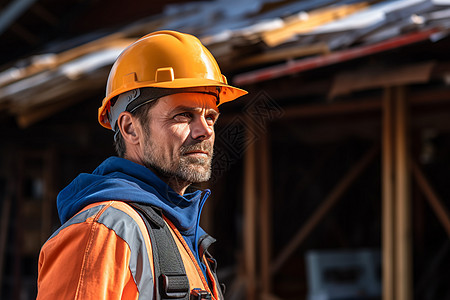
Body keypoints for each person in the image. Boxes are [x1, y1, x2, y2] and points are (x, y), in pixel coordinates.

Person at [36, 30, 247, 299]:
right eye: (183, 115)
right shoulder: (102, 232)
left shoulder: (178, 231)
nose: (204, 131)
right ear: (130, 128)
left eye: (210, 117)